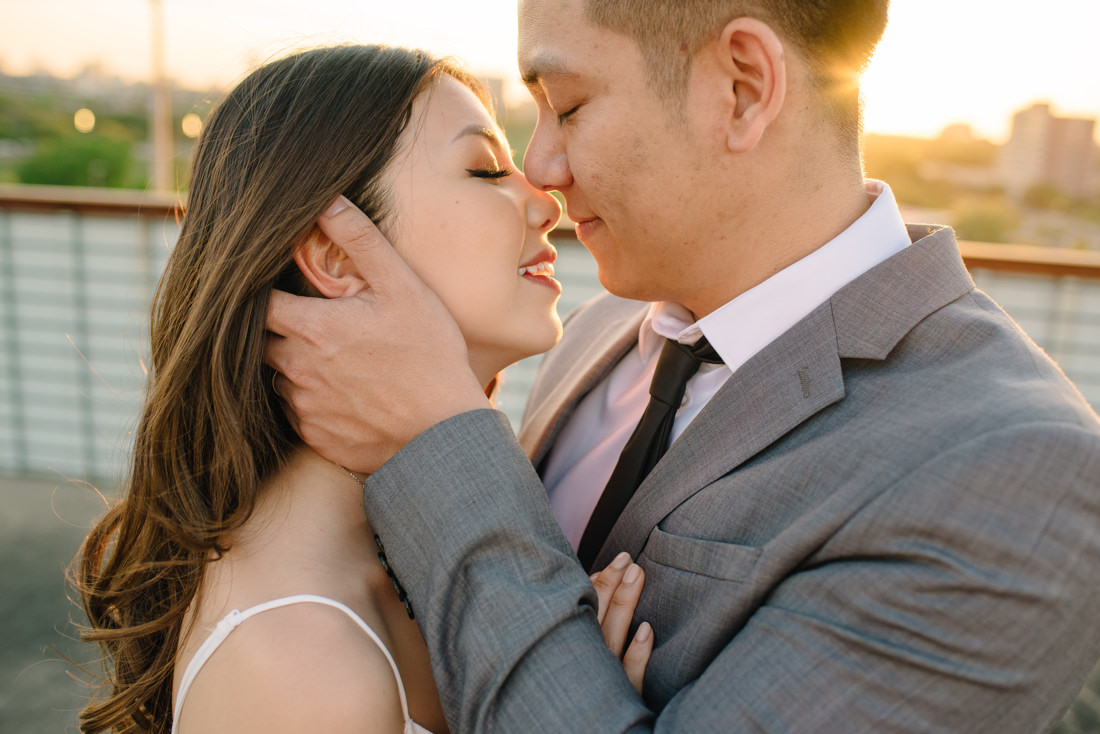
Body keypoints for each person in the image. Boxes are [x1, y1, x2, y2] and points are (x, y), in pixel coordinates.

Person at [265, 0, 1100, 731]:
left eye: (568, 105)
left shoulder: (1017, 467)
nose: (543, 171)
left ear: (741, 86)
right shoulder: (595, 331)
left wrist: (443, 441)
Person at [74, 44, 652, 734]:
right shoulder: (297, 664)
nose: (542, 197)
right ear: (336, 255)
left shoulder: (406, 552)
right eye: (485, 169)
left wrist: (561, 686)